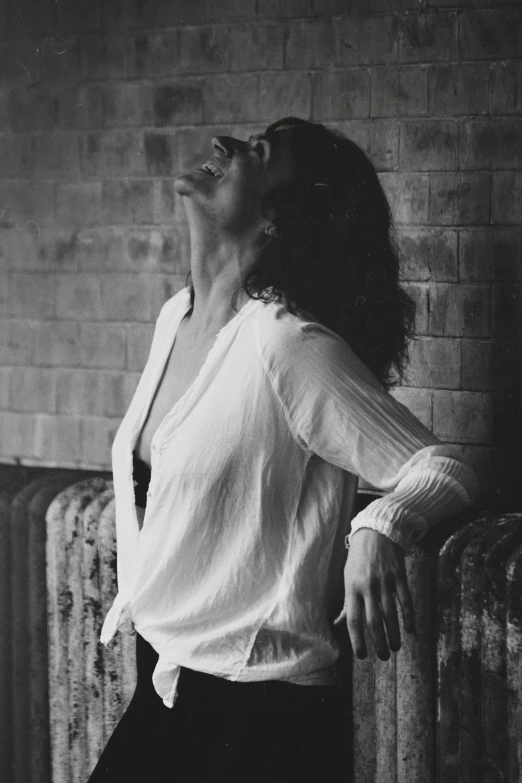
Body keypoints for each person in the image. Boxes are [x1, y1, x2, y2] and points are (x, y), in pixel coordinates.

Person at [87, 117, 479, 782]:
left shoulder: (284, 343)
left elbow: (445, 466)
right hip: (176, 687)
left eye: (256, 154)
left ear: (277, 222)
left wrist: (378, 525)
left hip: (261, 718)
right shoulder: (174, 316)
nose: (223, 146)